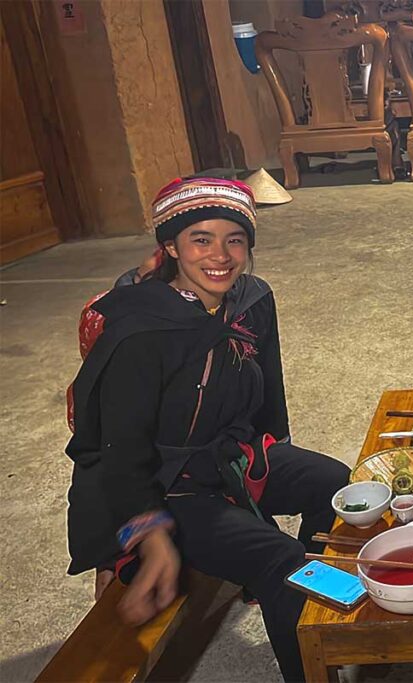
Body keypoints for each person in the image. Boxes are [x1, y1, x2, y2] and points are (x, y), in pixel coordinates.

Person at [64, 177, 350, 682]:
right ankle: (306, 655)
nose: (221, 255)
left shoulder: (252, 299)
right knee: (279, 560)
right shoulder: (140, 329)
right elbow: (119, 454)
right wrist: (149, 538)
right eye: (201, 239)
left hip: (225, 458)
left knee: (334, 483)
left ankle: (317, 620)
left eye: (234, 239)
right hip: (160, 486)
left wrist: (272, 451)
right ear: (171, 246)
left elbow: (269, 396)